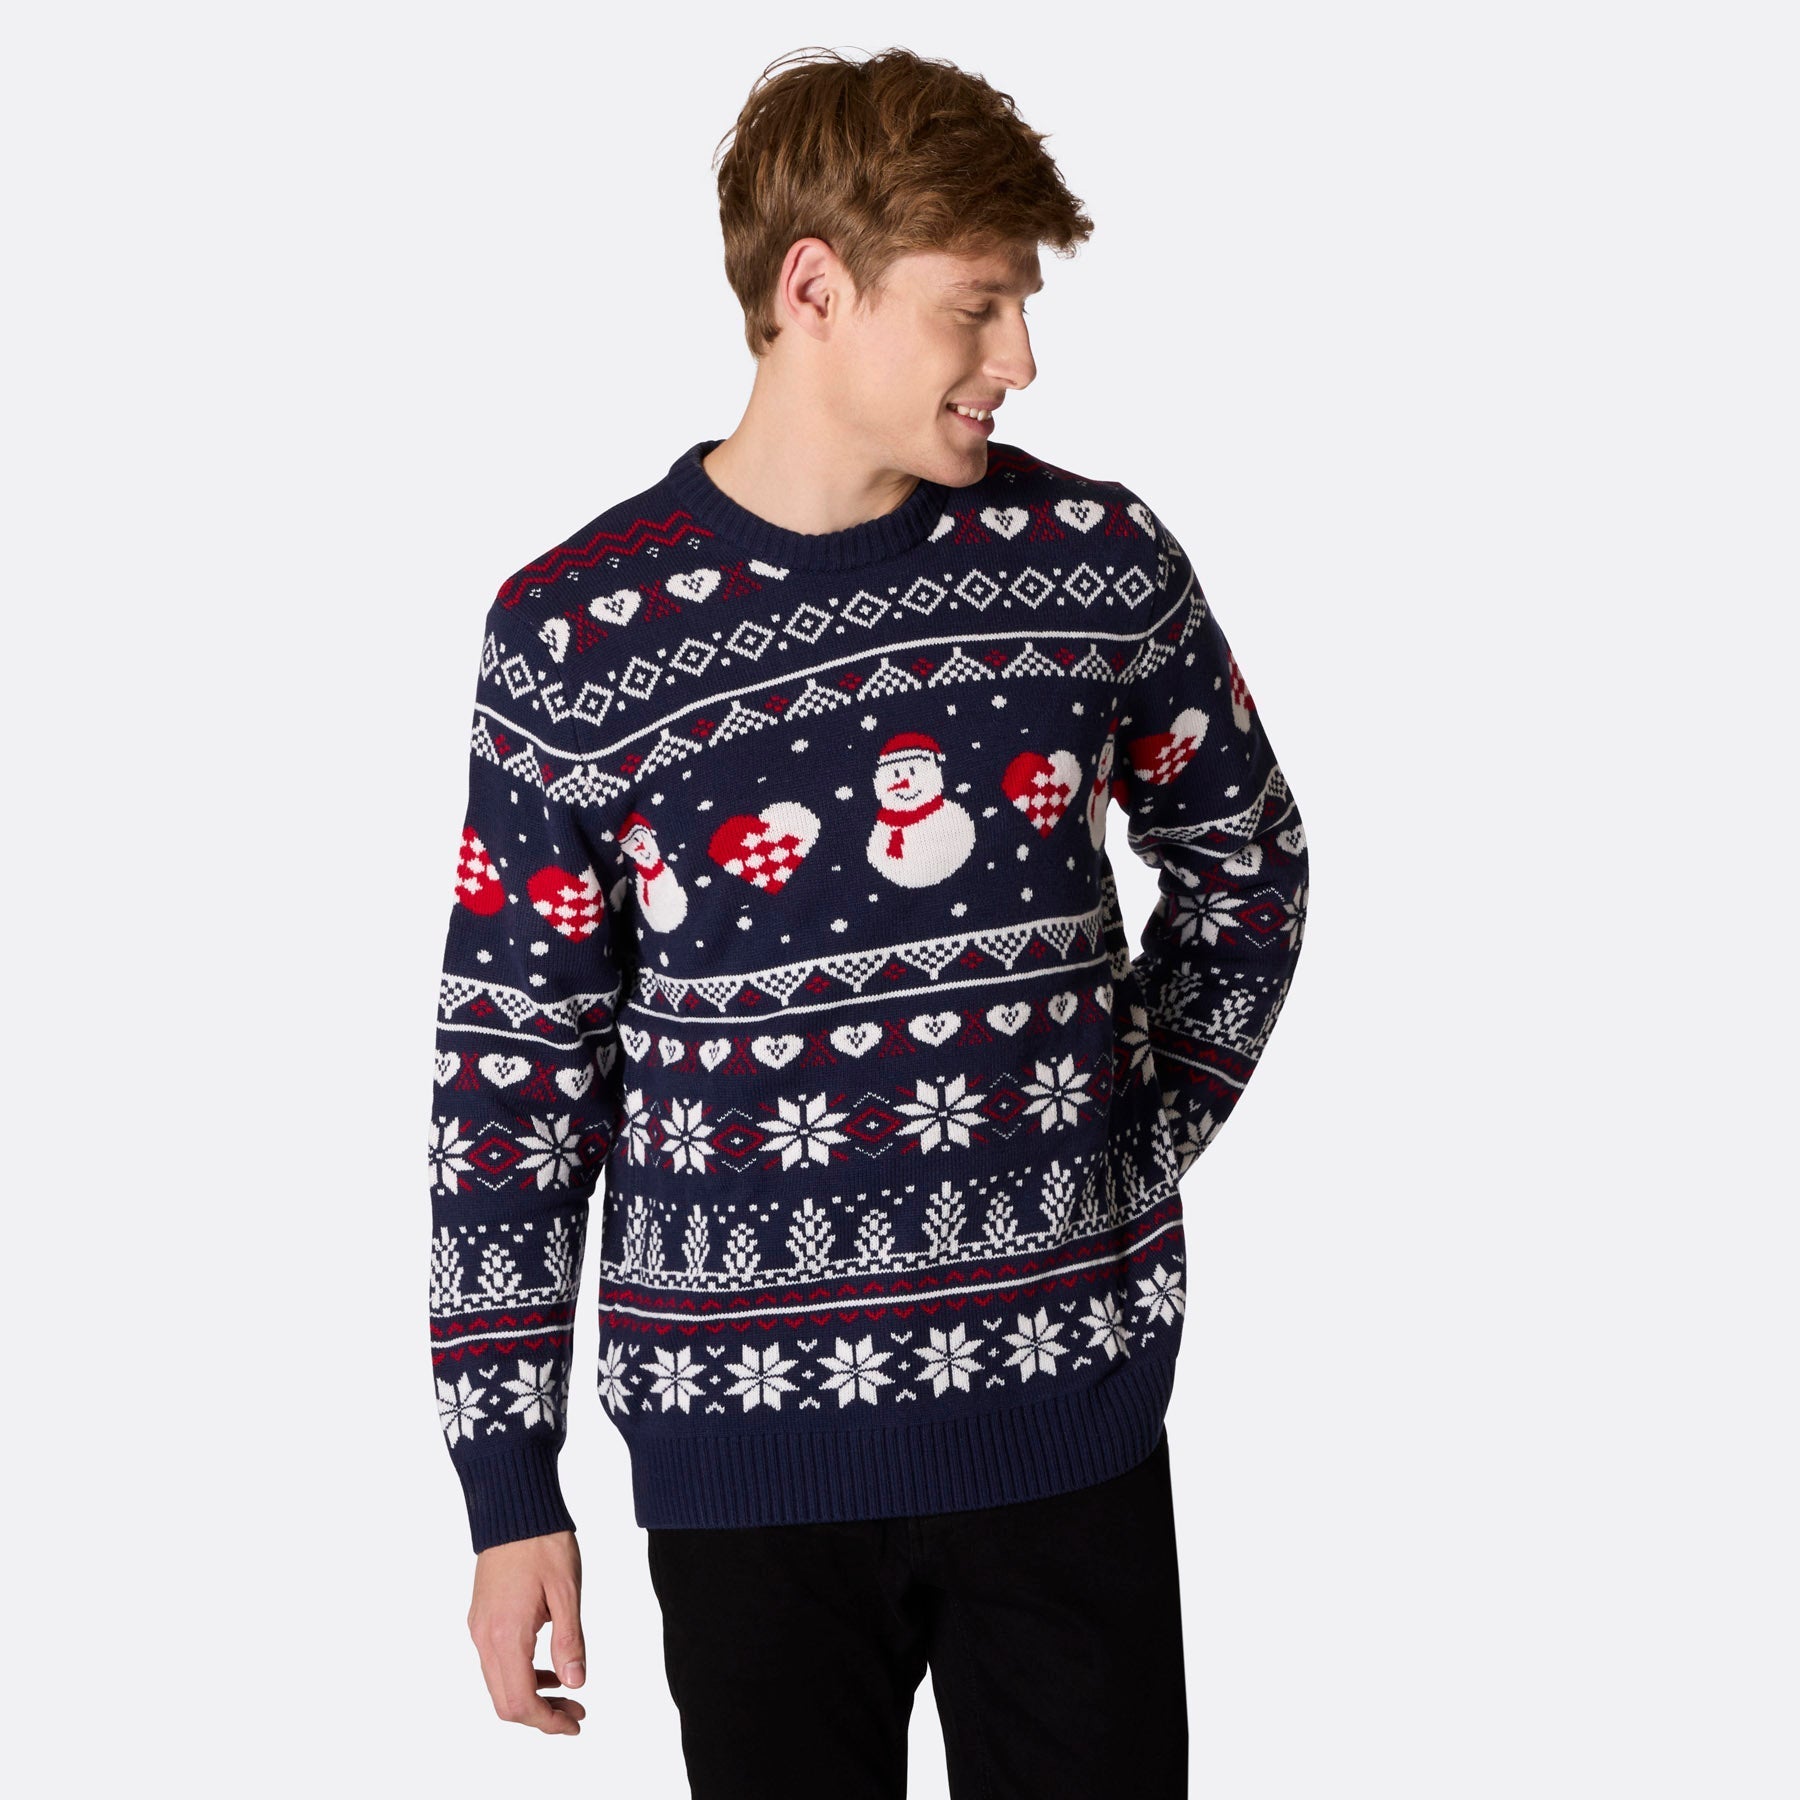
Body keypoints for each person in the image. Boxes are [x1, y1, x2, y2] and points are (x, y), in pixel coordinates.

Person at [427, 42, 1310, 1798]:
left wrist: (1125, 1137)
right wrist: (506, 1486)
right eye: (976, 305)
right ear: (814, 289)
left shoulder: (1095, 563)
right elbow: (514, 1067)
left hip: (1064, 1422)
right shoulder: (575, 635)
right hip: (743, 1460)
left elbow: (1248, 868)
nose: (1022, 356)